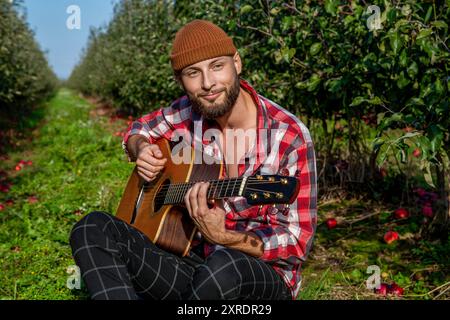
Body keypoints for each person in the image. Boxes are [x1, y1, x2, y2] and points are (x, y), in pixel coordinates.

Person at [69, 19, 317, 300]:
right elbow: (140, 129)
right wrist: (140, 149)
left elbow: (297, 241)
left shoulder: (288, 136)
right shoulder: (187, 113)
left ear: (237, 63)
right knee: (91, 228)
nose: (208, 83)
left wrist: (224, 238)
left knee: (223, 266)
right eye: (193, 73)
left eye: (217, 66)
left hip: (257, 276)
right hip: (191, 262)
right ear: (180, 80)